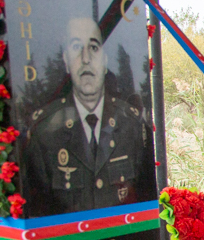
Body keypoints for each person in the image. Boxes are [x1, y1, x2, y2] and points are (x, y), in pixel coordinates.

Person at [22, 17, 156, 217]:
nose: (86, 58)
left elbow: (142, 197)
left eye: (94, 47)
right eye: (77, 47)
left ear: (104, 61)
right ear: (66, 61)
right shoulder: (45, 132)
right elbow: (39, 210)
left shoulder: (131, 125)